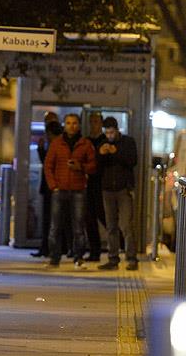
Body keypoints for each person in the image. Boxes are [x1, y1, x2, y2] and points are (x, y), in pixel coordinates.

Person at [44, 113, 96, 268]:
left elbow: (93, 166)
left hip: (78, 189)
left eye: (74, 123)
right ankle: (54, 258)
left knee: (79, 226)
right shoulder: (57, 144)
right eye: (68, 123)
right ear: (64, 125)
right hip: (59, 190)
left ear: (79, 125)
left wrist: (80, 167)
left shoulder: (85, 144)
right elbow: (48, 166)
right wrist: (53, 186)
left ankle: (78, 258)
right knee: (55, 226)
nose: (71, 126)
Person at [96, 117, 139, 271]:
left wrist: (116, 153)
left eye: (112, 132)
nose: (109, 136)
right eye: (107, 133)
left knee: (126, 225)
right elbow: (96, 166)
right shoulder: (102, 143)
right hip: (107, 190)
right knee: (111, 226)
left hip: (123, 189)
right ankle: (113, 259)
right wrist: (101, 154)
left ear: (117, 129)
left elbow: (132, 161)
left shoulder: (128, 142)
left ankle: (132, 258)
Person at [32, 116, 63, 258]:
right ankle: (49, 248)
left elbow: (49, 165)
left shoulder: (56, 145)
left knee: (51, 220)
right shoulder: (54, 145)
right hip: (50, 187)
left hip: (53, 188)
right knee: (51, 220)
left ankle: (50, 248)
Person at [85, 112, 107, 261]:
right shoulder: (85, 141)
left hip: (103, 184)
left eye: (96, 121)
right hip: (87, 184)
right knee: (89, 218)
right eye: (91, 121)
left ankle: (120, 246)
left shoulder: (105, 141)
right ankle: (94, 251)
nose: (94, 124)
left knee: (105, 216)